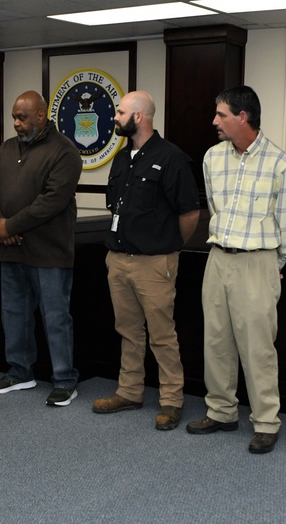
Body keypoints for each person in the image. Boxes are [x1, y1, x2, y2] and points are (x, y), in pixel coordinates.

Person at [186, 85, 286, 454]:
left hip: (258, 260)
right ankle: (221, 411)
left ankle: (266, 421)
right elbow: (215, 210)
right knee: (216, 341)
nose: (214, 121)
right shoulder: (211, 158)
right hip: (218, 257)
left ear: (243, 117)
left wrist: (273, 265)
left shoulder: (281, 164)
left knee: (257, 348)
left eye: (221, 115)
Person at [91, 90, 199, 430]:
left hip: (154, 262)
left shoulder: (171, 158)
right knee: (128, 331)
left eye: (120, 112)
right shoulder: (123, 159)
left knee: (162, 335)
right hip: (118, 259)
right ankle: (129, 391)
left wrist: (169, 247)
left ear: (139, 116)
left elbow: (190, 214)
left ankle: (171, 400)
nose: (115, 118)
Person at [0, 90, 83, 407]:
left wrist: (9, 226)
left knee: (55, 318)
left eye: (22, 118)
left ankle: (65, 381)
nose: (16, 123)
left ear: (40, 115)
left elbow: (51, 201)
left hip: (49, 253)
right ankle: (20, 373)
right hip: (11, 251)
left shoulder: (64, 151)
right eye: (14, 117)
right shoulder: (6, 149)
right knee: (14, 315)